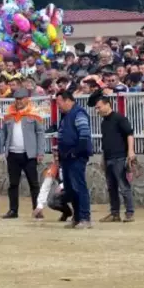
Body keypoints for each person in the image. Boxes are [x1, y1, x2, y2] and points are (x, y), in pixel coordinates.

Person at [0, 88, 45, 219]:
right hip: (12, 154)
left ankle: (37, 210)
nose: (18, 101)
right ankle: (13, 210)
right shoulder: (9, 114)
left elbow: (40, 134)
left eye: (21, 99)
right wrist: (1, 149)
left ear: (27, 99)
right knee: (13, 184)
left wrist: (40, 152)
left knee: (34, 183)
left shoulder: (33, 113)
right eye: (16, 99)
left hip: (29, 154)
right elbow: (3, 133)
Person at [93, 95, 136, 222]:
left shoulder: (119, 118)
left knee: (123, 186)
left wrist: (131, 151)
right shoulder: (103, 122)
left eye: (99, 107)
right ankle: (114, 213)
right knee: (111, 187)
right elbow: (105, 141)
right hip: (108, 158)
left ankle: (129, 212)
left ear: (107, 104)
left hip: (120, 157)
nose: (97, 110)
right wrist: (103, 159)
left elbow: (129, 134)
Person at [56, 90, 93, 229]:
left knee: (79, 186)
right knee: (70, 189)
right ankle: (77, 217)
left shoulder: (79, 113)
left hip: (76, 157)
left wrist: (75, 152)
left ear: (67, 100)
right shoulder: (65, 115)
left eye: (59, 103)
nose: (58, 106)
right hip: (66, 157)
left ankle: (85, 217)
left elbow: (84, 135)